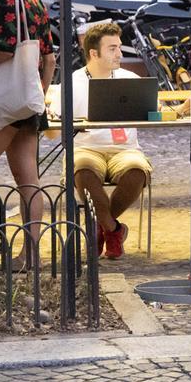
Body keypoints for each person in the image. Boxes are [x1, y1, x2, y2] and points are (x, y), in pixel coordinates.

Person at [0, 0, 56, 269]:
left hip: (9, 104)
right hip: (28, 103)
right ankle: (30, 255)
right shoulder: (35, 0)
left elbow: (5, 50)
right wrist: (37, 94)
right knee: (28, 180)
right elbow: (49, 58)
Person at [70, 22, 152, 260]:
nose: (119, 54)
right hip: (87, 147)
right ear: (93, 53)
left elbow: (151, 111)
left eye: (119, 47)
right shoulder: (74, 81)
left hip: (125, 149)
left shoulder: (130, 79)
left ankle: (102, 226)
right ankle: (114, 229)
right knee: (83, 170)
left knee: (137, 171)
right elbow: (56, 125)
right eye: (112, 48)